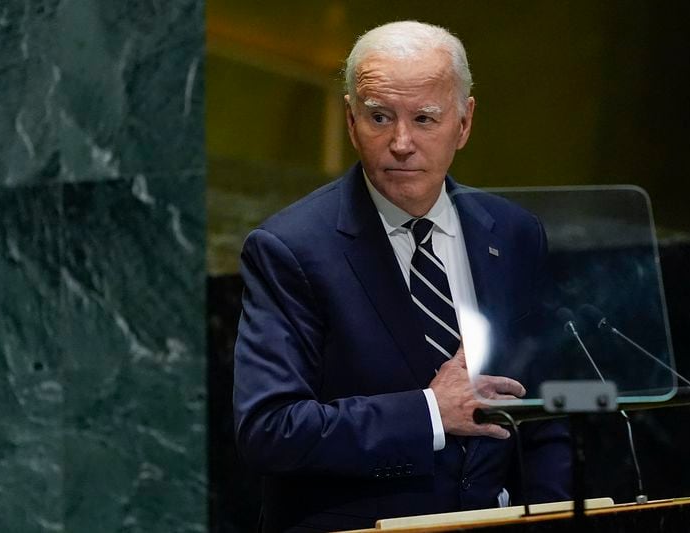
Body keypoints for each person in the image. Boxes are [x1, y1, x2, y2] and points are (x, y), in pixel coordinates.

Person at [233, 20, 570, 532]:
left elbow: (545, 411)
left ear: (464, 122)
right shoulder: (291, 249)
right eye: (379, 117)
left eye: (425, 118)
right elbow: (270, 428)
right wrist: (430, 412)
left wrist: (552, 514)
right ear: (350, 121)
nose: (401, 142)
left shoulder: (516, 233)